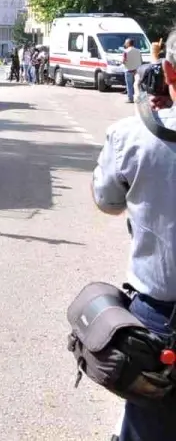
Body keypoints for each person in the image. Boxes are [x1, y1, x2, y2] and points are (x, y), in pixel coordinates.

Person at [93, 28, 176, 440]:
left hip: (162, 316)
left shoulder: (133, 134)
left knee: (147, 427)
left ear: (170, 73)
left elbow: (107, 201)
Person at [124, 37, 144, 104]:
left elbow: (123, 61)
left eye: (126, 42)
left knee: (129, 85)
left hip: (128, 70)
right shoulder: (138, 51)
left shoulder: (125, 51)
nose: (125, 44)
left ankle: (130, 99)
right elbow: (141, 60)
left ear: (128, 43)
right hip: (137, 71)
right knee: (138, 85)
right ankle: (139, 98)